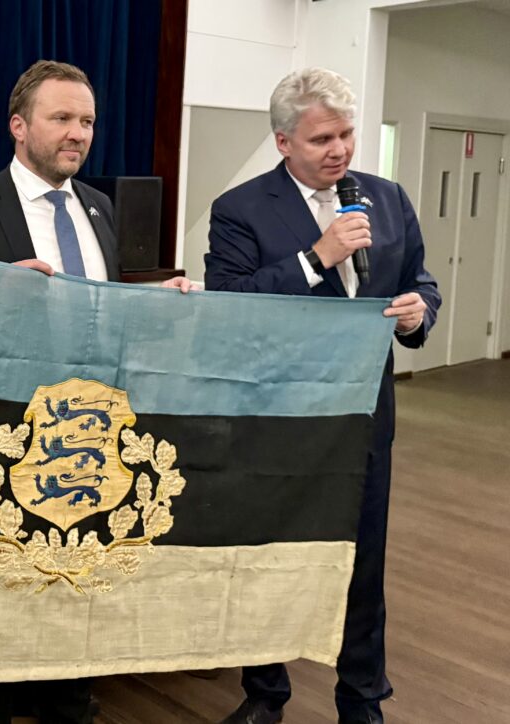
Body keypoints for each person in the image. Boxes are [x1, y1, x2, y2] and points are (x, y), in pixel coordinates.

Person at [0, 59, 192, 724]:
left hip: (93, 451)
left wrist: (147, 300)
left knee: (77, 618)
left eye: (88, 121)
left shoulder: (100, 208)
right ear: (19, 126)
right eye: (63, 118)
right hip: (3, 454)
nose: (79, 133)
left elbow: (97, 311)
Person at [205, 67, 441, 724]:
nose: (339, 150)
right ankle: (265, 693)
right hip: (278, 420)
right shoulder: (241, 209)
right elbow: (230, 310)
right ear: (284, 142)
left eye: (346, 134)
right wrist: (317, 256)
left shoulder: (386, 198)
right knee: (271, 559)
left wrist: (421, 311)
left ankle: (362, 697)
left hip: (364, 420)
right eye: (321, 139)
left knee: (365, 566)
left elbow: (421, 278)